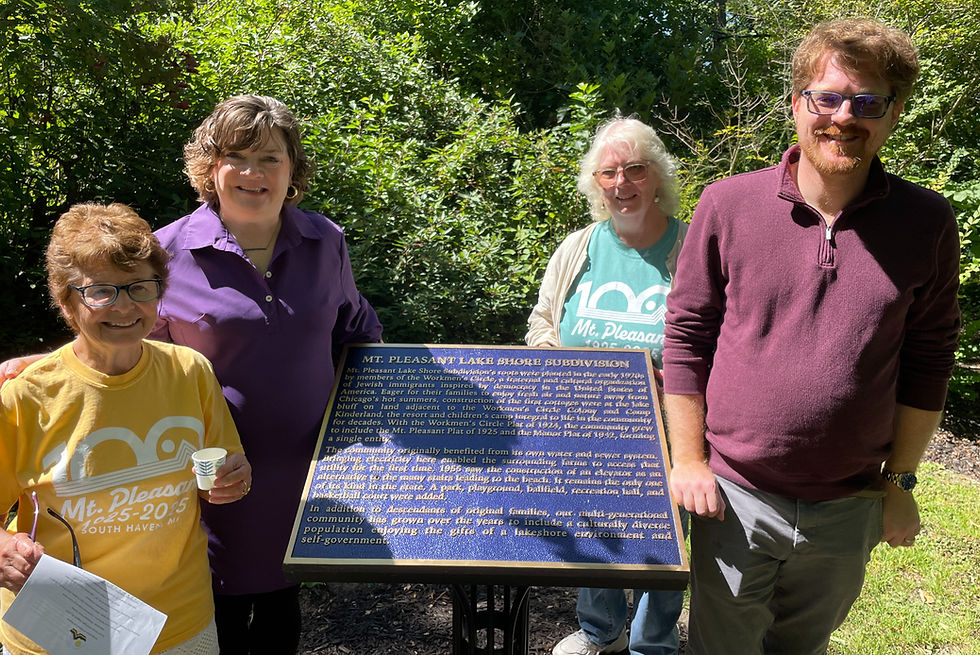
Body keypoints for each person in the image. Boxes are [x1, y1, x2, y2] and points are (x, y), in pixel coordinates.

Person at [662, 18, 960, 655]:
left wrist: (900, 483)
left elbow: (930, 357)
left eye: (867, 101)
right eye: (826, 97)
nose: (844, 116)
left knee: (802, 647)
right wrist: (688, 462)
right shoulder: (726, 204)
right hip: (734, 499)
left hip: (849, 503)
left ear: (893, 113)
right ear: (796, 103)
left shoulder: (927, 222)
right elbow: (688, 336)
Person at [152, 94, 383, 653]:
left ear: (292, 170)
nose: (253, 172)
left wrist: (374, 424)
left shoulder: (325, 241)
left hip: (301, 478)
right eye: (237, 155)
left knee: (283, 610)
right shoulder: (164, 252)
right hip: (208, 480)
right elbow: (134, 361)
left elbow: (355, 328)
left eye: (271, 158)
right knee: (216, 618)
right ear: (211, 167)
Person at [0, 203, 252, 654]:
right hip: (63, 629)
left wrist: (235, 478)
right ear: (66, 302)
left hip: (179, 626)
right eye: (100, 291)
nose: (125, 306)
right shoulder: (23, 397)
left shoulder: (190, 371)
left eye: (139, 287)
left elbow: (227, 463)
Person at [526, 116, 688, 655]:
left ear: (657, 175)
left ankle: (653, 641)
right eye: (609, 173)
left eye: (635, 169)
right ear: (595, 183)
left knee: (666, 533)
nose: (623, 184)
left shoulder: (690, 248)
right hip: (585, 423)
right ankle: (601, 632)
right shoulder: (578, 248)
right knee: (594, 524)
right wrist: (552, 359)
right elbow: (543, 321)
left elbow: (716, 337)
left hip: (667, 427)